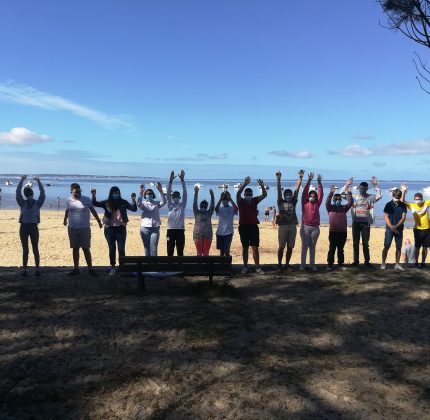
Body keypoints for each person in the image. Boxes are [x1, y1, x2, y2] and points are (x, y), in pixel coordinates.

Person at [91, 186, 137, 275]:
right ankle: (113, 267)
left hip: (121, 228)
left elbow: (134, 209)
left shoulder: (123, 202)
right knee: (112, 248)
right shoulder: (107, 202)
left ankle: (122, 266)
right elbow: (94, 203)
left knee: (121, 249)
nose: (115, 194)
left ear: (119, 193)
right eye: (114, 193)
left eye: (117, 193)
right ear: (111, 194)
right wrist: (93, 195)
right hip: (109, 229)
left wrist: (134, 201)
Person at [64, 183, 103, 276]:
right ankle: (76, 268)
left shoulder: (86, 199)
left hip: (84, 228)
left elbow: (93, 210)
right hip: (72, 228)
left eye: (78, 192)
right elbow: (67, 210)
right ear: (71, 192)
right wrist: (64, 219)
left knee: (86, 248)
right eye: (75, 192)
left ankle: (90, 269)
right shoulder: (68, 200)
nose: (77, 194)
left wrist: (98, 221)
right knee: (75, 248)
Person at [236, 176, 267, 274]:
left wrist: (262, 186)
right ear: (245, 194)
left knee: (255, 248)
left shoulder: (254, 200)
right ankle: (245, 266)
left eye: (250, 194)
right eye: (247, 194)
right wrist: (245, 184)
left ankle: (257, 267)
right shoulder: (241, 201)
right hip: (243, 227)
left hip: (253, 226)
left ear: (252, 194)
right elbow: (238, 193)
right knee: (245, 247)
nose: (248, 195)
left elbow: (264, 195)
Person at [16, 175, 45, 277]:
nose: (29, 194)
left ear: (32, 193)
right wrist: (22, 180)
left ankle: (37, 270)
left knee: (35, 249)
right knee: (25, 249)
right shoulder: (22, 203)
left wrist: (38, 181)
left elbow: (42, 194)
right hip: (24, 227)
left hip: (33, 227)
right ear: (25, 194)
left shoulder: (37, 204)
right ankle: (25, 270)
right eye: (27, 193)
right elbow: (17, 192)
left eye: (30, 193)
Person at [350, 176, 382, 268]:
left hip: (366, 224)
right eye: (361, 188)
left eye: (364, 189)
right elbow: (342, 195)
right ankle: (356, 261)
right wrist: (348, 185)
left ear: (367, 189)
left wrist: (376, 185)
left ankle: (367, 262)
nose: (362, 190)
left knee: (365, 243)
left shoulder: (370, 197)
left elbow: (379, 196)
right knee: (355, 243)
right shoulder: (354, 197)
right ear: (358, 188)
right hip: (356, 223)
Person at [275, 169, 304, 271]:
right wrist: (278, 179)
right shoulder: (280, 202)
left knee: (290, 247)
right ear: (284, 196)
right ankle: (279, 264)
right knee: (281, 247)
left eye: (290, 194)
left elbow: (297, 189)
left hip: (292, 226)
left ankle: (287, 264)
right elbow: (279, 190)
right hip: (282, 226)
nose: (288, 196)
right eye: (286, 194)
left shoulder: (294, 201)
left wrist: (300, 178)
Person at [326, 182, 353, 271]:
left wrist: (349, 194)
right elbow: (327, 201)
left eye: (339, 199)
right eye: (336, 199)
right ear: (333, 200)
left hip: (342, 232)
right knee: (332, 248)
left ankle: (340, 264)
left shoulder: (344, 208)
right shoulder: (330, 208)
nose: (338, 200)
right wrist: (331, 193)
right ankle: (330, 264)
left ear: (341, 200)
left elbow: (350, 202)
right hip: (333, 231)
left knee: (341, 249)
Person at [401, 187, 430, 268]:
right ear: (414, 199)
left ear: (422, 199)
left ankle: (423, 262)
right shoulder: (412, 205)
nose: (417, 201)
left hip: (427, 229)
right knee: (417, 247)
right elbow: (402, 201)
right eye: (416, 199)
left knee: (425, 247)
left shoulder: (426, 203)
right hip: (417, 229)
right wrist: (403, 191)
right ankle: (416, 262)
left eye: (419, 199)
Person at [300, 172, 324, 271]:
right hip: (305, 227)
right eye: (311, 196)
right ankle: (302, 265)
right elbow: (305, 192)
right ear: (308, 197)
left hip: (315, 228)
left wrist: (319, 183)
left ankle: (312, 265)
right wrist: (309, 180)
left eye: (314, 196)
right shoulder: (304, 203)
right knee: (304, 247)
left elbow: (321, 194)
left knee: (312, 247)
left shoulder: (317, 204)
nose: (313, 197)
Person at [381, 189, 407, 270]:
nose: (397, 198)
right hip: (389, 229)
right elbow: (386, 216)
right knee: (386, 246)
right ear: (392, 196)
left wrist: (396, 226)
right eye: (395, 197)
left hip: (399, 229)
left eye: (398, 197)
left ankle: (397, 264)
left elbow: (403, 218)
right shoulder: (388, 204)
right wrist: (392, 226)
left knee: (398, 247)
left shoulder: (403, 205)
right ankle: (383, 263)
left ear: (400, 197)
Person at [137, 182, 166, 256]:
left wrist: (160, 190)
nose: (148, 195)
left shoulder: (157, 203)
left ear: (153, 195)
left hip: (155, 228)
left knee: (154, 250)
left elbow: (164, 202)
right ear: (145, 195)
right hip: (144, 228)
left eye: (150, 194)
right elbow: (138, 203)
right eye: (147, 194)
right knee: (147, 249)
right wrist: (141, 192)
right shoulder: (143, 204)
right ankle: (148, 265)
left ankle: (154, 266)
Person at [166, 170, 187, 256]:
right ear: (172, 198)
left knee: (180, 251)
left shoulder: (182, 205)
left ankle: (180, 267)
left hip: (180, 230)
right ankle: (170, 267)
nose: (175, 198)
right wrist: (170, 181)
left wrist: (182, 181)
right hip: (170, 230)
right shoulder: (170, 205)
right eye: (174, 197)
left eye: (177, 197)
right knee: (170, 251)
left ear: (179, 197)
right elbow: (167, 194)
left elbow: (185, 193)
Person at [193, 186, 215, 256]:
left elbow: (212, 206)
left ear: (207, 206)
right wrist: (196, 193)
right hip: (197, 235)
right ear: (200, 206)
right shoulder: (196, 212)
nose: (203, 206)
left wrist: (212, 196)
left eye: (205, 205)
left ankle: (205, 266)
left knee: (206, 253)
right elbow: (194, 204)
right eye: (202, 205)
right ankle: (199, 266)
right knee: (199, 253)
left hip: (208, 235)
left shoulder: (209, 212)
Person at [215, 191, 238, 256]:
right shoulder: (220, 208)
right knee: (221, 252)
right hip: (219, 232)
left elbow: (236, 209)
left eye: (225, 199)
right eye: (223, 200)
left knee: (227, 251)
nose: (224, 201)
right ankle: (222, 265)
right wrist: (220, 199)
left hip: (228, 232)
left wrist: (230, 199)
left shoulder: (231, 209)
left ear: (228, 200)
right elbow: (216, 209)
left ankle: (227, 265)